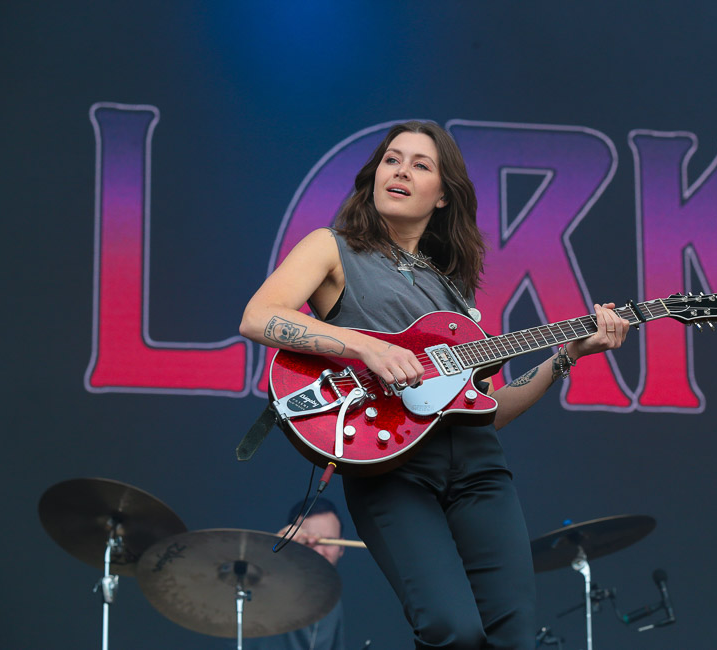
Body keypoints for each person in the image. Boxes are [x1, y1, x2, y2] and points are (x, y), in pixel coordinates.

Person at [239, 121, 630, 649]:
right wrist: (366, 346)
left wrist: (566, 357)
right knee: (453, 628)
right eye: (392, 159)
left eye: (421, 164)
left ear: (443, 195)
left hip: (478, 469)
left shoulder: (453, 288)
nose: (400, 170)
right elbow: (259, 316)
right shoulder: (331, 247)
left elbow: (489, 410)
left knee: (512, 633)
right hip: (390, 470)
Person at [246, 498, 346, 650]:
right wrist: (276, 556)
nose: (319, 552)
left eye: (328, 542)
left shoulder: (333, 601)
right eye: (308, 543)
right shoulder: (263, 584)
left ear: (342, 548)